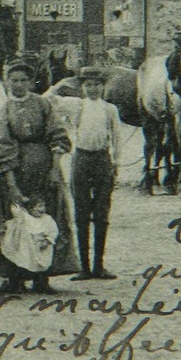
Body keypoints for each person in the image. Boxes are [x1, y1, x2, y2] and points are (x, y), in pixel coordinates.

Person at [0, 59, 79, 291]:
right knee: (15, 221)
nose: (18, 85)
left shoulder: (42, 105)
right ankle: (15, 277)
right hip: (16, 173)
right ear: (7, 82)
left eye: (23, 80)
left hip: (43, 170)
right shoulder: (4, 110)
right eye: (14, 80)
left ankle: (42, 276)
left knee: (45, 220)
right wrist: (12, 185)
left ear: (31, 82)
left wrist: (56, 169)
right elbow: (2, 147)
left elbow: (58, 135)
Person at [67, 66, 121, 279]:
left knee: (101, 213)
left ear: (102, 86)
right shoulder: (77, 106)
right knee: (81, 213)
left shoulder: (110, 109)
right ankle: (84, 267)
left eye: (97, 84)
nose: (93, 88)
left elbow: (116, 138)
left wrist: (116, 162)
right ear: (82, 87)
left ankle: (99, 265)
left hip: (102, 159)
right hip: (81, 159)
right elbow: (50, 99)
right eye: (88, 85)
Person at [0, 197, 61, 296]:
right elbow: (16, 212)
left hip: (42, 247)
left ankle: (41, 284)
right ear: (30, 209)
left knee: (43, 265)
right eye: (38, 206)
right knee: (22, 261)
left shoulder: (47, 219)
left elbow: (53, 230)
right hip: (27, 246)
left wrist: (48, 240)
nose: (42, 209)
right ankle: (17, 284)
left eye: (43, 206)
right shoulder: (25, 219)